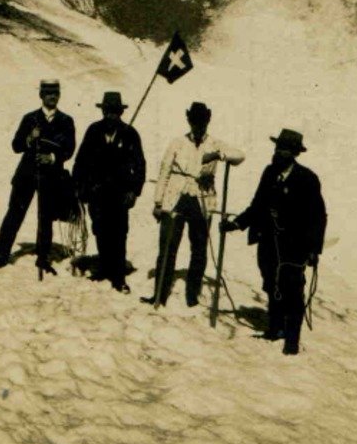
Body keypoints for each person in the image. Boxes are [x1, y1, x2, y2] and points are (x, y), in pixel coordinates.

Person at [223, 128, 326, 355]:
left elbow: (318, 216)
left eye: (285, 150)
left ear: (295, 153)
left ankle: (292, 340)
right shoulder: (269, 172)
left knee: (292, 289)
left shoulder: (307, 179)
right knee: (271, 284)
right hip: (268, 240)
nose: (279, 153)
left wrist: (313, 249)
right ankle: (275, 328)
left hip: (294, 245)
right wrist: (237, 224)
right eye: (278, 148)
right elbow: (257, 205)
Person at [143, 102, 245, 308]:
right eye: (195, 122)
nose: (199, 127)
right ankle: (159, 294)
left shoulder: (215, 144)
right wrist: (158, 202)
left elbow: (240, 156)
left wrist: (218, 155)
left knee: (198, 249)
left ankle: (192, 295)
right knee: (168, 247)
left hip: (202, 200)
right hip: (176, 199)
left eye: (202, 123)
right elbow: (164, 172)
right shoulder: (177, 143)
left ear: (208, 122)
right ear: (189, 121)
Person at [0, 79, 76, 276]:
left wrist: (52, 157)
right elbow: (16, 145)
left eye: (55, 93)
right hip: (26, 174)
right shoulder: (30, 119)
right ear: (41, 95)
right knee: (14, 213)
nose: (52, 96)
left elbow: (69, 149)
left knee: (46, 218)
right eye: (48, 93)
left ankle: (43, 258)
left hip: (51, 176)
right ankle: (2, 254)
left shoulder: (66, 121)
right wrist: (29, 138)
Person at [72, 91, 146, 292]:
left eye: (114, 112)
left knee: (119, 232)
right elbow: (81, 161)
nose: (110, 116)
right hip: (96, 192)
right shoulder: (93, 131)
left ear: (120, 113)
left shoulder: (130, 134)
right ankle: (104, 267)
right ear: (102, 111)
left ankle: (118, 276)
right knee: (99, 229)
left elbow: (140, 165)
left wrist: (134, 191)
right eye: (107, 111)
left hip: (119, 194)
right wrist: (78, 186)